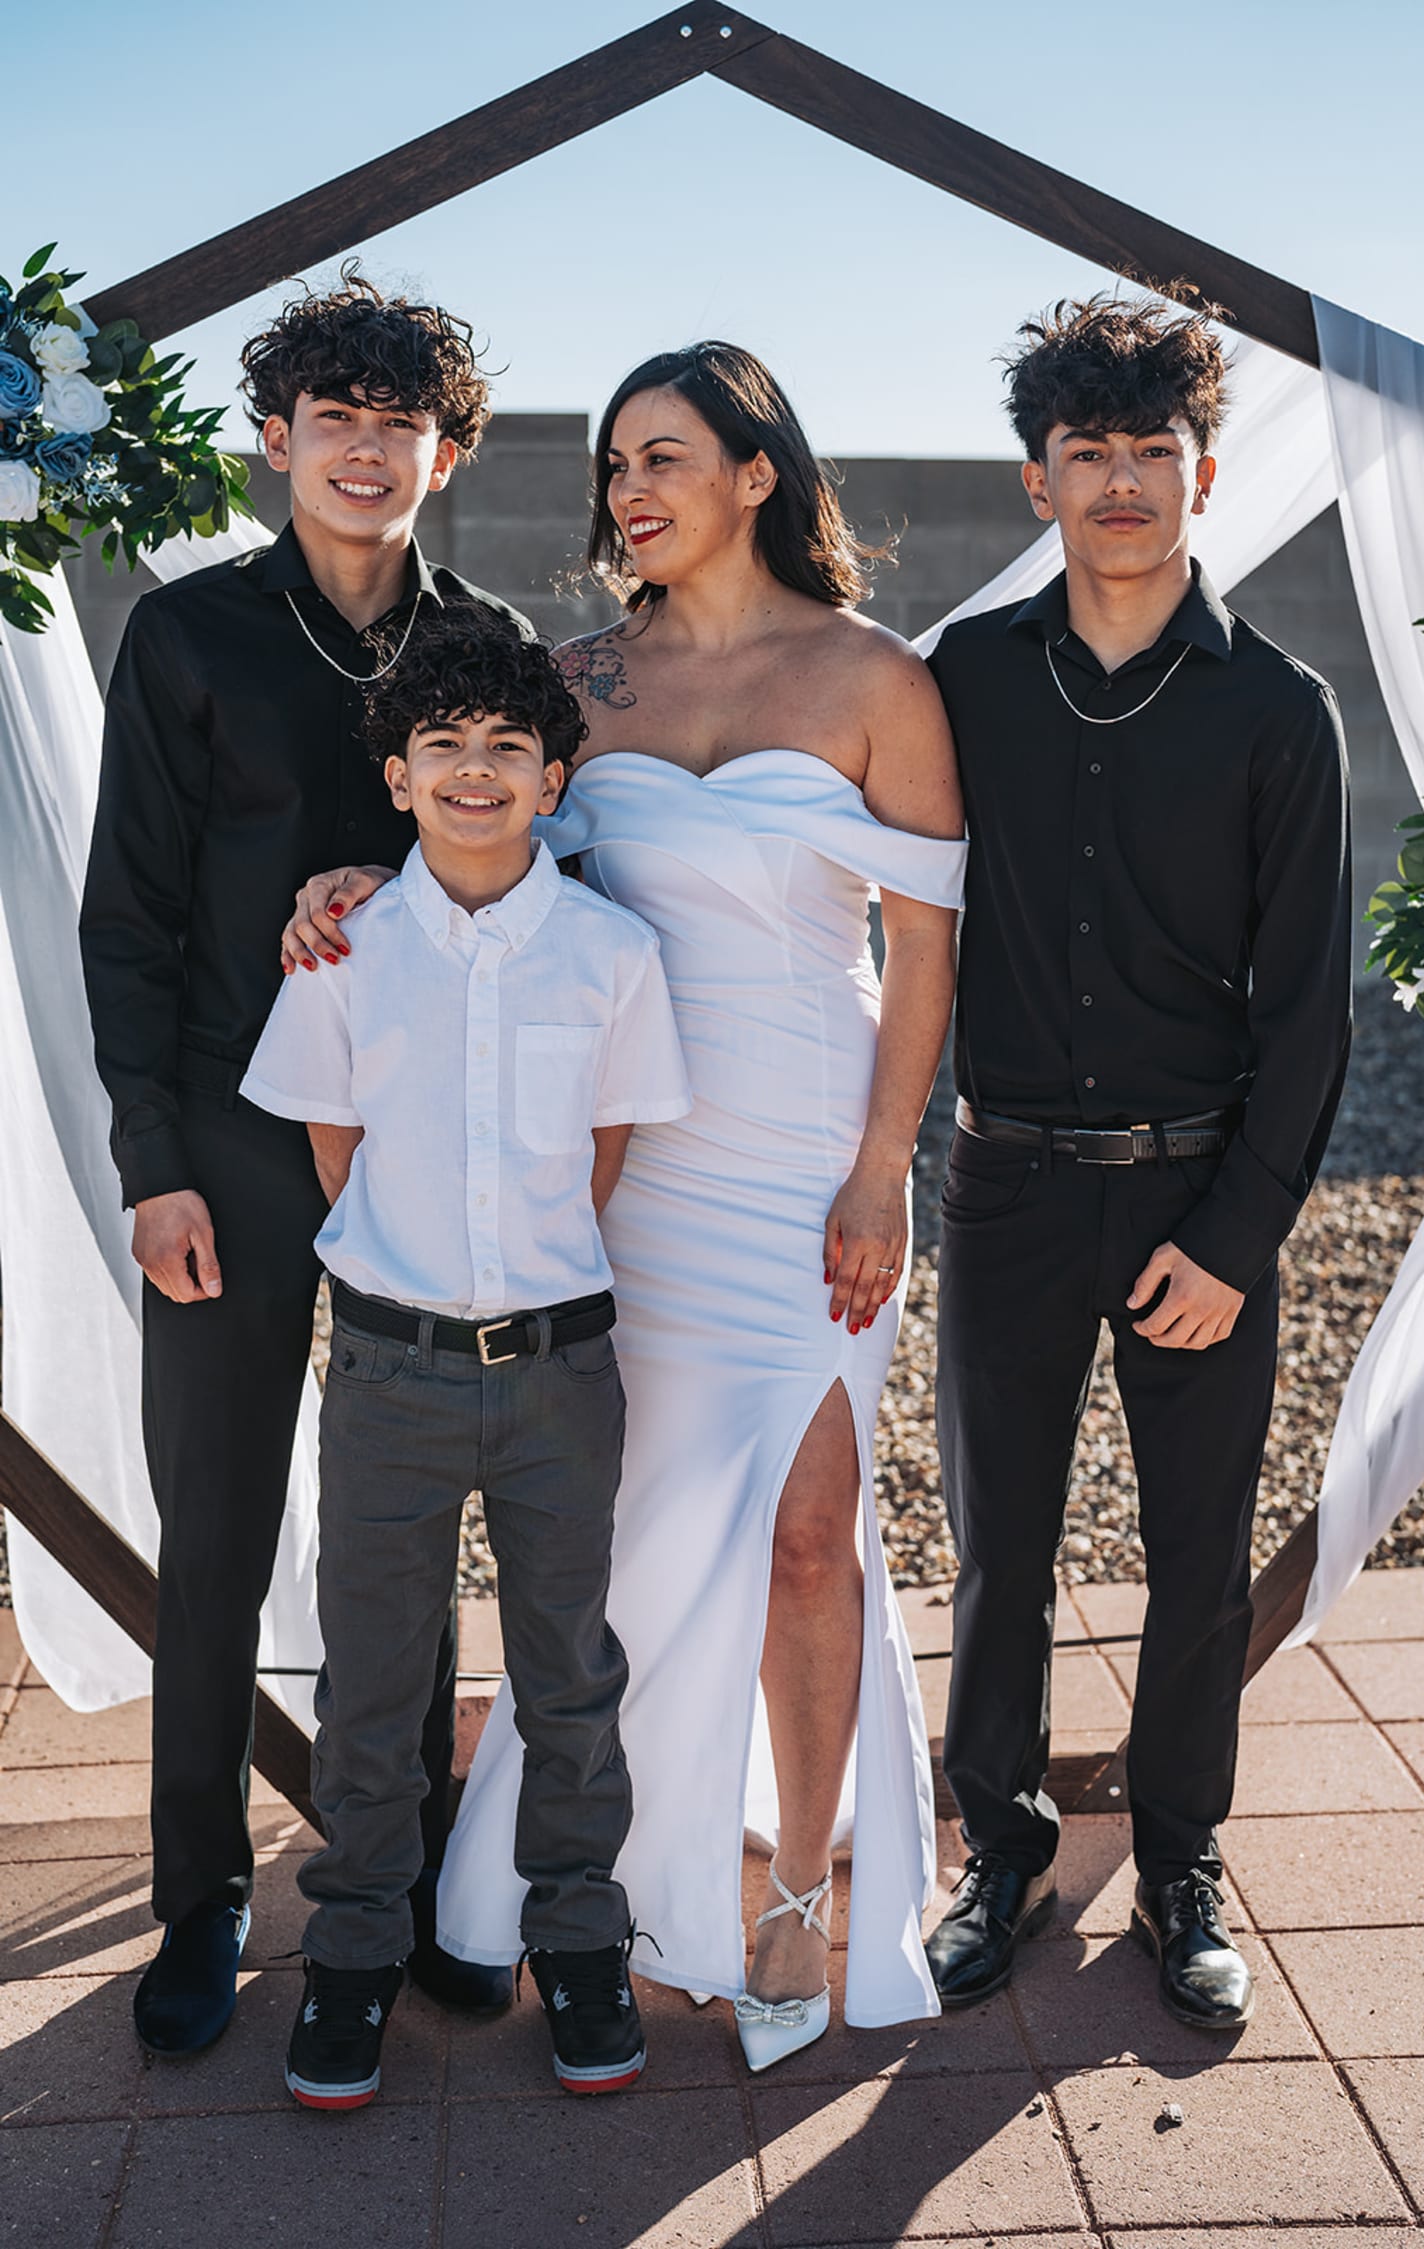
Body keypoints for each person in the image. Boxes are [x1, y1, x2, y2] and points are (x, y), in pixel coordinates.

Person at [282, 341, 967, 2070]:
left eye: (664, 456)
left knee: (815, 1533)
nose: (629, 493)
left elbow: (924, 941)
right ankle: (591, 1884)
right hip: (632, 1176)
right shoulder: (576, 680)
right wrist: (367, 876)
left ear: (758, 471)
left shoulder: (879, 677)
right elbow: (481, 835)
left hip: (818, 1161)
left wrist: (888, 1161)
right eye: (613, 468)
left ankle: (801, 1888)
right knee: (619, 1547)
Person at [78, 273, 529, 2056]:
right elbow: (124, 924)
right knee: (220, 1527)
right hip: (232, 1149)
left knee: (401, 1532)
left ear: (443, 447)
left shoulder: (483, 640)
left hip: (429, 1151)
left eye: (395, 419)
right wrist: (152, 1163)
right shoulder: (188, 636)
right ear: (277, 441)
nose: (362, 447)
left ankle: (400, 1878)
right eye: (329, 416)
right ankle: (198, 1897)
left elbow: (519, 866)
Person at [923, 297, 1351, 2030]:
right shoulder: (959, 686)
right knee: (999, 1545)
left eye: (1148, 452)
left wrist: (1240, 1233)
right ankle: (1001, 1853)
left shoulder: (1280, 710)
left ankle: (1180, 1857)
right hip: (1007, 1184)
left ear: (1204, 472)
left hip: (1195, 1194)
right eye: (1085, 454)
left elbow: (1309, 1012)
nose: (1118, 484)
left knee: (1195, 1551)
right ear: (1038, 480)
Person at [242, 607, 690, 2106]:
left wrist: (520, 1291)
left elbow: (605, 1152)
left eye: (510, 747)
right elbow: (333, 1147)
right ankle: (360, 1947)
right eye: (445, 746)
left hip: (560, 1372)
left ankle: (577, 1935)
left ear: (555, 779)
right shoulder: (345, 948)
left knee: (568, 1668)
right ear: (397, 775)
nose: (478, 771)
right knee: (374, 1680)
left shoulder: (613, 954)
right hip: (388, 1372)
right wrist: (427, 1283)